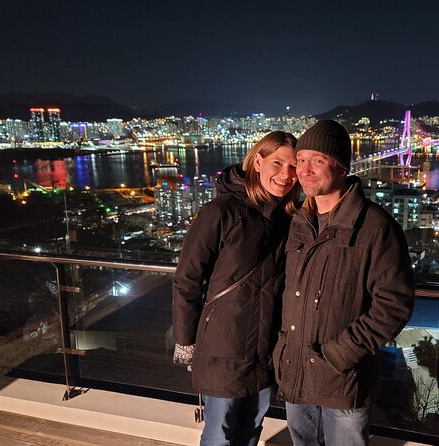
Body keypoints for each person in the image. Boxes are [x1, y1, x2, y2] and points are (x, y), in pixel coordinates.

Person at [272, 120, 415, 446]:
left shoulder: (376, 227)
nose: (305, 170)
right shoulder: (299, 221)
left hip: (343, 377)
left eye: (317, 160)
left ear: (340, 166)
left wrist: (339, 355)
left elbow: (394, 304)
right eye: (301, 160)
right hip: (296, 368)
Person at [172, 130, 300, 446]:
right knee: (220, 433)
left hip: (266, 346)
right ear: (257, 161)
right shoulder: (221, 212)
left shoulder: (286, 217)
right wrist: (185, 340)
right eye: (277, 163)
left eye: (293, 167)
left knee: (251, 428)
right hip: (223, 345)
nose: (285, 175)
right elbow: (188, 279)